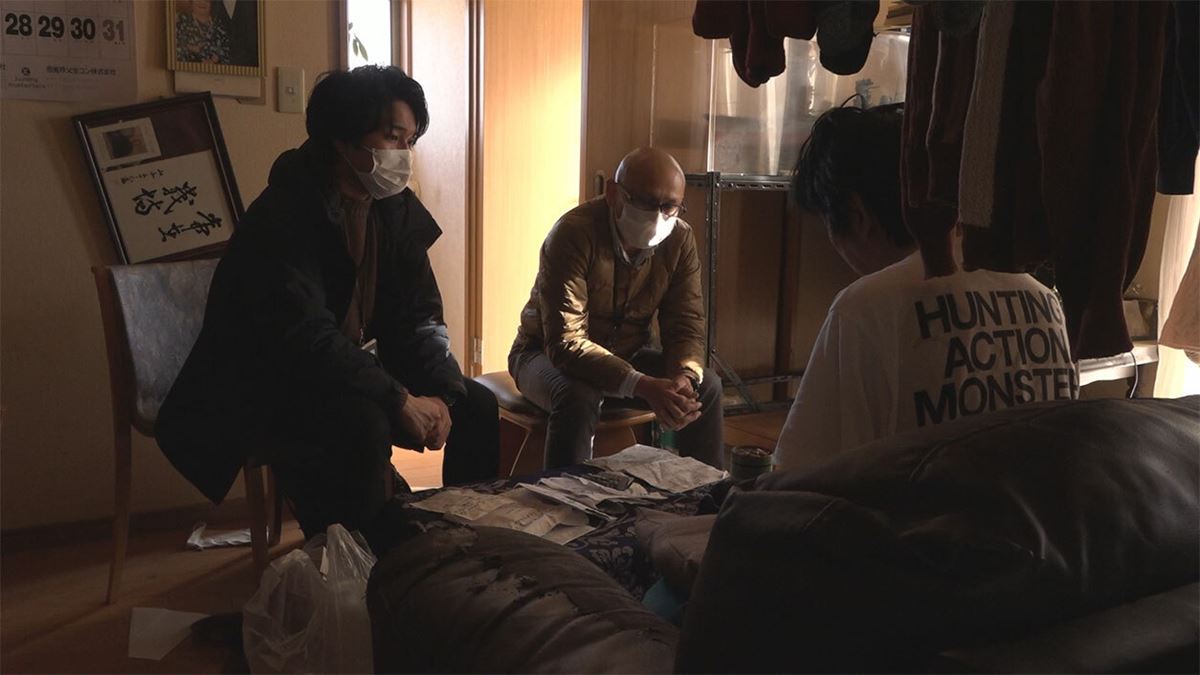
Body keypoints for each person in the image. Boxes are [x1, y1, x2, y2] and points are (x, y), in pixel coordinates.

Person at [156, 66, 499, 548]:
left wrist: (441, 394)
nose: (404, 154)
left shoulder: (394, 208)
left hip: (342, 369)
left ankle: (469, 543)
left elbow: (421, 315)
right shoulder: (284, 214)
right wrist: (398, 398)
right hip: (273, 382)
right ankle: (360, 558)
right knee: (364, 421)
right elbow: (306, 338)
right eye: (393, 137)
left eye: (410, 141)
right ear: (342, 138)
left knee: (475, 404)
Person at [774, 103, 1078, 472]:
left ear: (857, 215)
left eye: (828, 225)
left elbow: (798, 474)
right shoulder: (1043, 299)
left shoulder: (865, 307)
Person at [509, 148, 724, 470]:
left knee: (706, 387)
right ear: (613, 193)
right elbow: (565, 343)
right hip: (541, 355)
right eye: (646, 202)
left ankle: (707, 491)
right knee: (578, 395)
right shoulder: (573, 233)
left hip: (628, 354)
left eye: (669, 206)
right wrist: (643, 384)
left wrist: (684, 377)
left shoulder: (679, 239)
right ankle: (564, 493)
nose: (658, 216)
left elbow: (686, 322)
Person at [174, 0, 231, 65]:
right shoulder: (180, 20)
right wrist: (190, 48)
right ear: (191, 2)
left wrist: (215, 60)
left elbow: (227, 51)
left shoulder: (219, 24)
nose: (202, 3)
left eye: (207, 1)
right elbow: (173, 48)